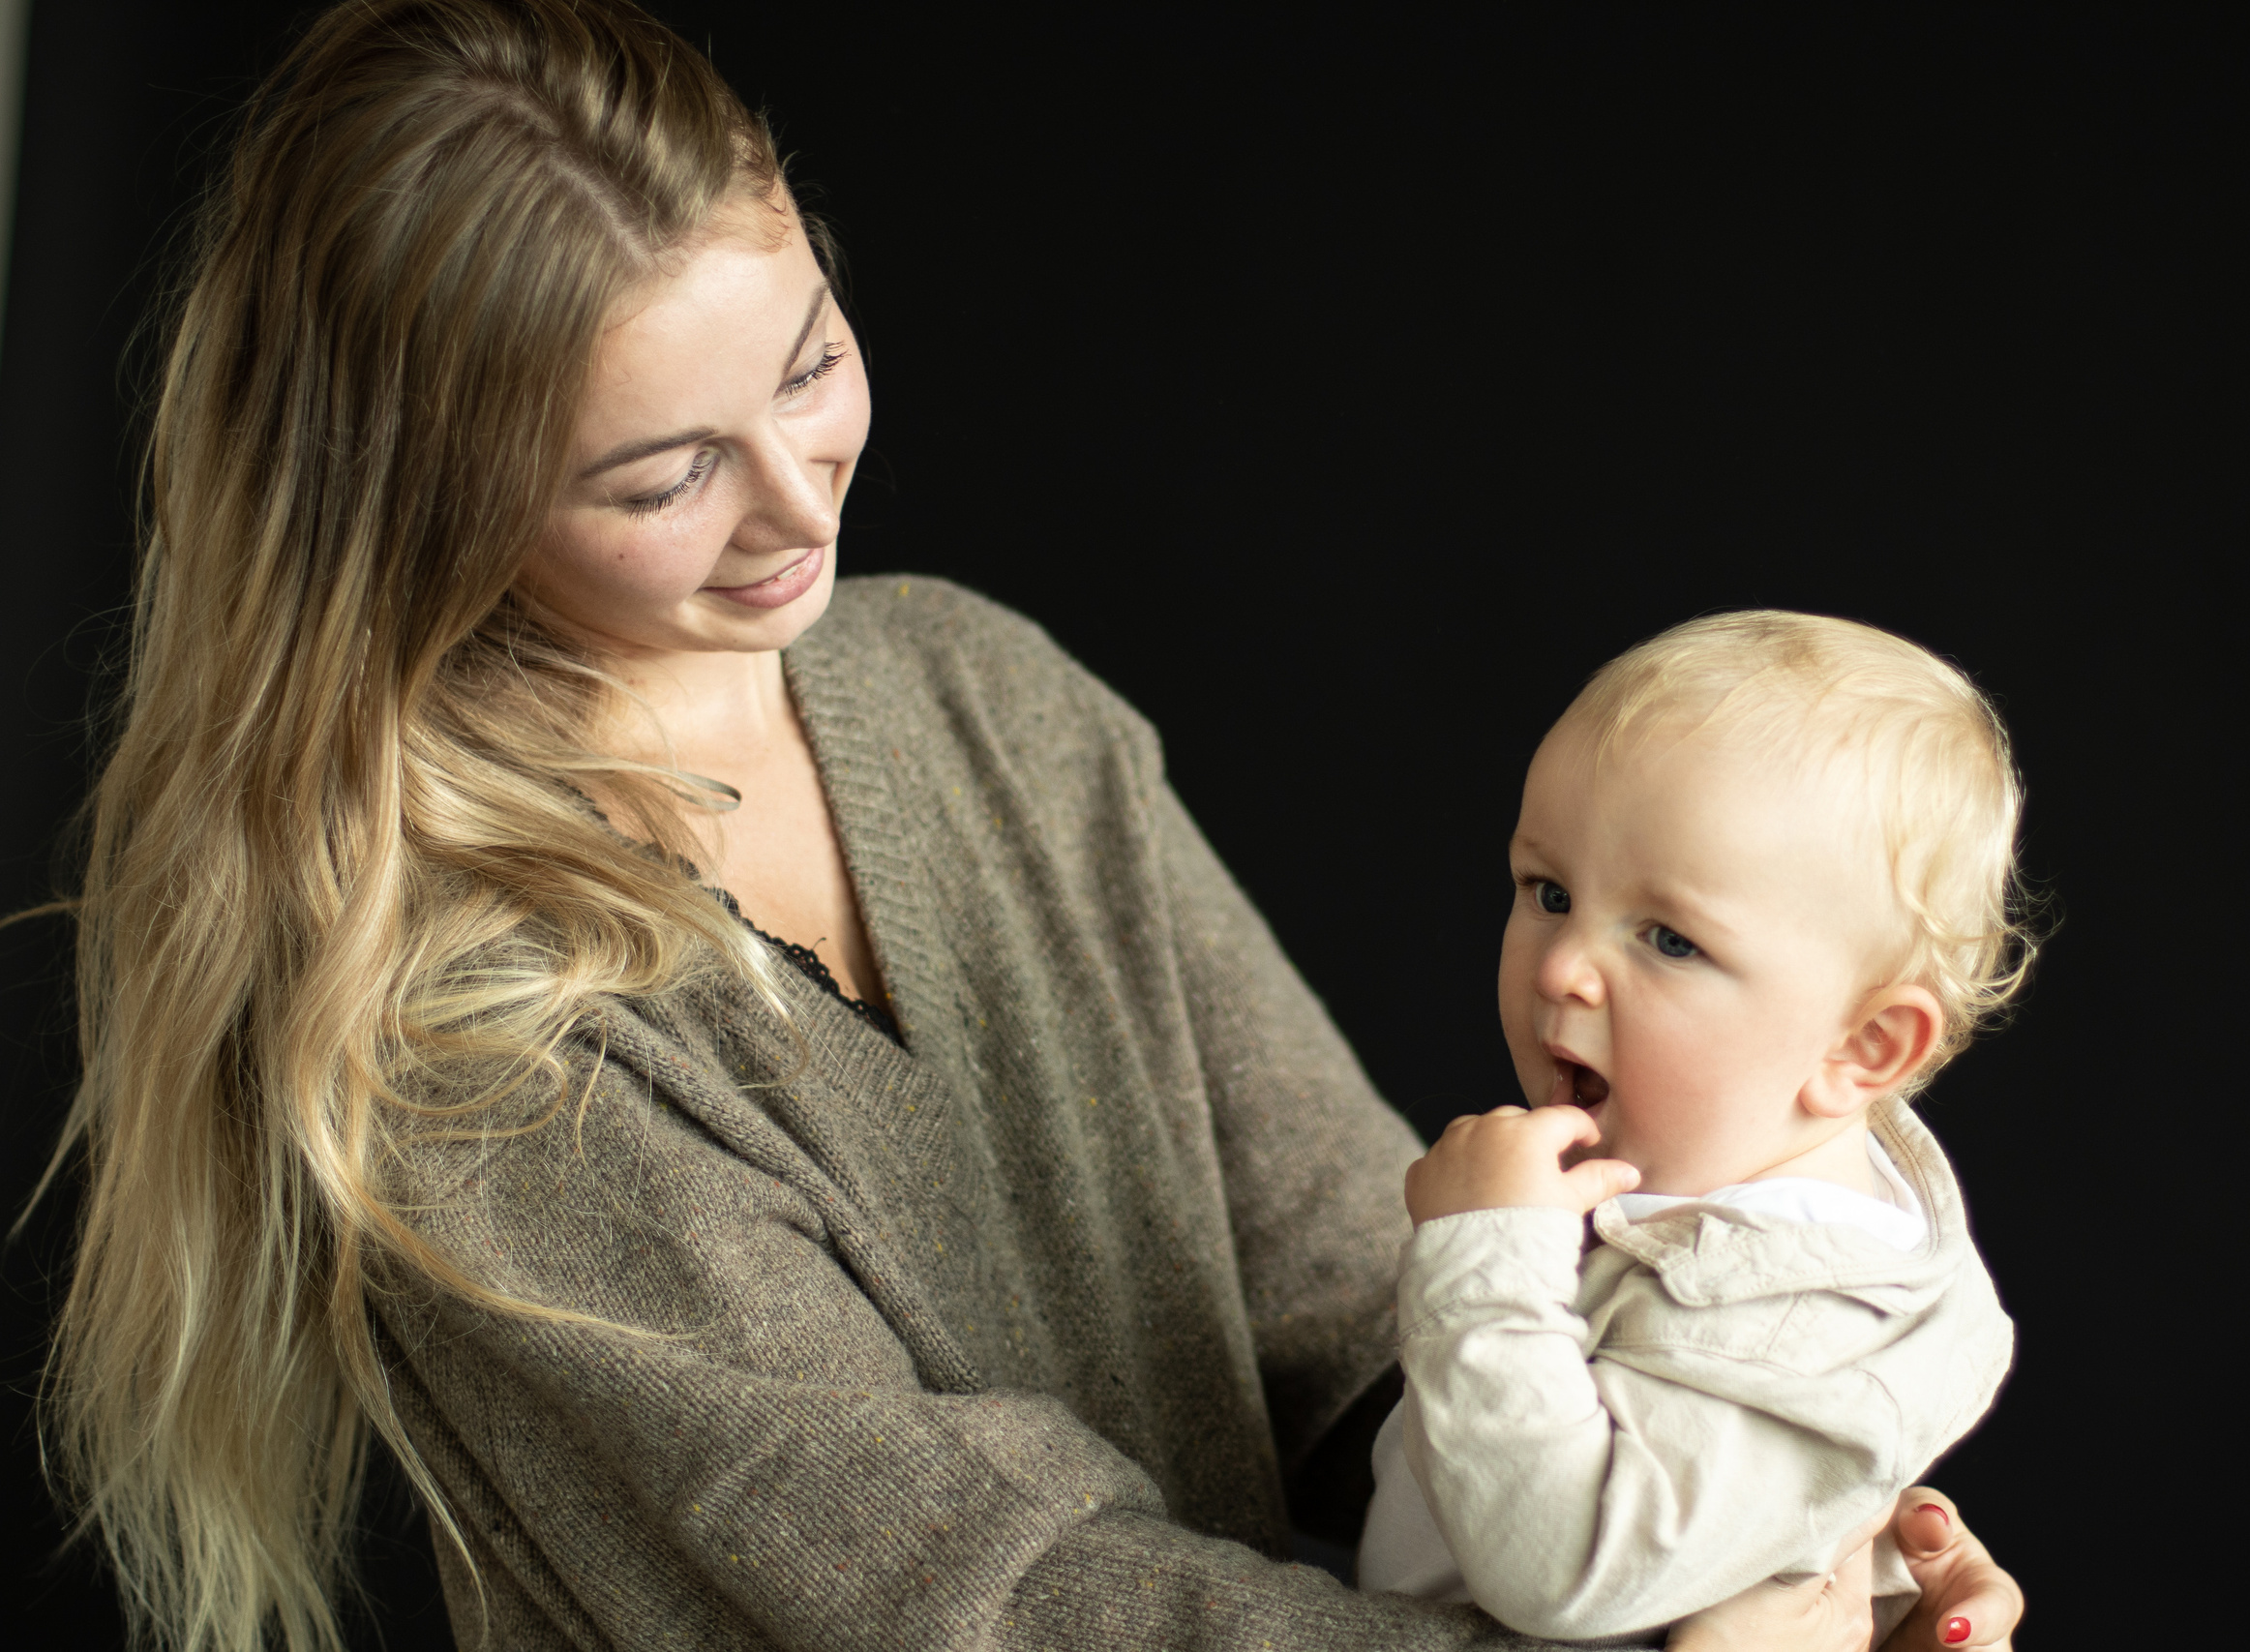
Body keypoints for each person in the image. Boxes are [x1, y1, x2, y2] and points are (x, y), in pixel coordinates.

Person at [32, 3, 2025, 1648]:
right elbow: (980, 1600)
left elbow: (1357, 1318)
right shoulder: (458, 1007)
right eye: (659, 475)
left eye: (807, 364)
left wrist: (1757, 1516)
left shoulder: (983, 696)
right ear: (417, 494)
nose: (798, 508)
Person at [1357, 614, 2025, 1646]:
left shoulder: (1790, 1327)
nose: (1559, 969)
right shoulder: (1700, 1177)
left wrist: (1482, 1256)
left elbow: (1561, 1568)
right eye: (1548, 892)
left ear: (1863, 1047)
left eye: (1668, 938)